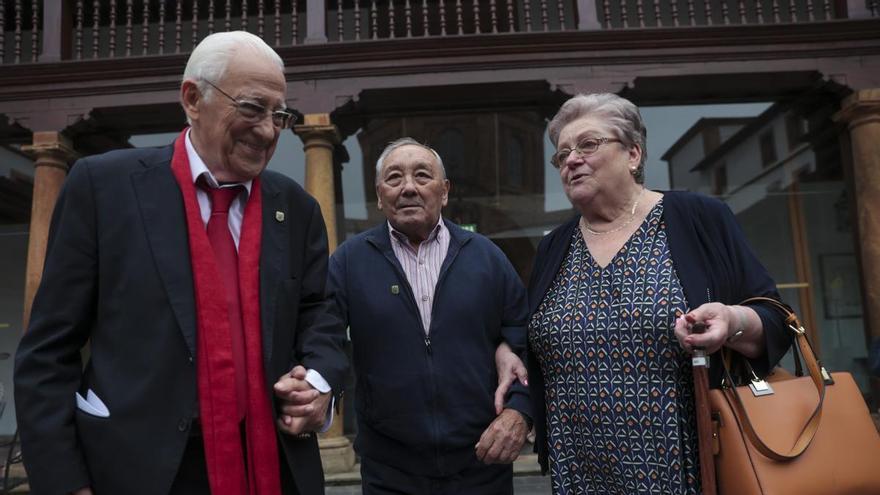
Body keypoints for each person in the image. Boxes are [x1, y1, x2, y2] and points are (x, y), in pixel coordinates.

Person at [14, 31, 348, 495]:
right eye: (252, 108)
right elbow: (48, 352)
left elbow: (320, 315)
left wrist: (318, 382)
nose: (269, 130)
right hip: (137, 470)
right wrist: (63, 481)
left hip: (272, 465)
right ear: (193, 99)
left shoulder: (296, 207)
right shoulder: (103, 188)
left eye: (280, 114)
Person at [526, 93, 793, 494]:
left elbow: (777, 319)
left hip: (686, 469)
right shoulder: (554, 247)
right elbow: (525, 338)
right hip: (579, 474)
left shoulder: (697, 218)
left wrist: (733, 321)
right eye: (561, 154)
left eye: (588, 145)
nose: (571, 160)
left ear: (633, 154)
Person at [327, 138, 532, 494]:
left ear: (445, 191)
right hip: (390, 471)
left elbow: (525, 336)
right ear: (379, 195)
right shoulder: (349, 261)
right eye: (394, 178)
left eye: (422, 176)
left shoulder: (486, 257)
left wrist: (520, 410)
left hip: (481, 464)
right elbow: (323, 335)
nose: (408, 187)